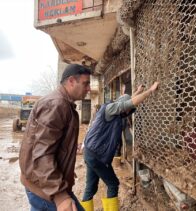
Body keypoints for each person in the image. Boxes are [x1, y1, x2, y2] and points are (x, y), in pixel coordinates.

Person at [19, 64, 91, 211]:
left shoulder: (62, 103)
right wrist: (60, 196)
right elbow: (41, 153)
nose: (89, 88)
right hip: (46, 190)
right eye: (85, 83)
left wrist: (65, 168)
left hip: (41, 185)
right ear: (71, 81)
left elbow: (50, 146)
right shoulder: (57, 104)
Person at [80, 82, 159, 211]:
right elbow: (128, 103)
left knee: (91, 187)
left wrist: (137, 91)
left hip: (90, 153)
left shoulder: (114, 110)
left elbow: (127, 102)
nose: (127, 112)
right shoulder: (110, 108)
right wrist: (150, 90)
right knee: (113, 184)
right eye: (126, 109)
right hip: (97, 155)